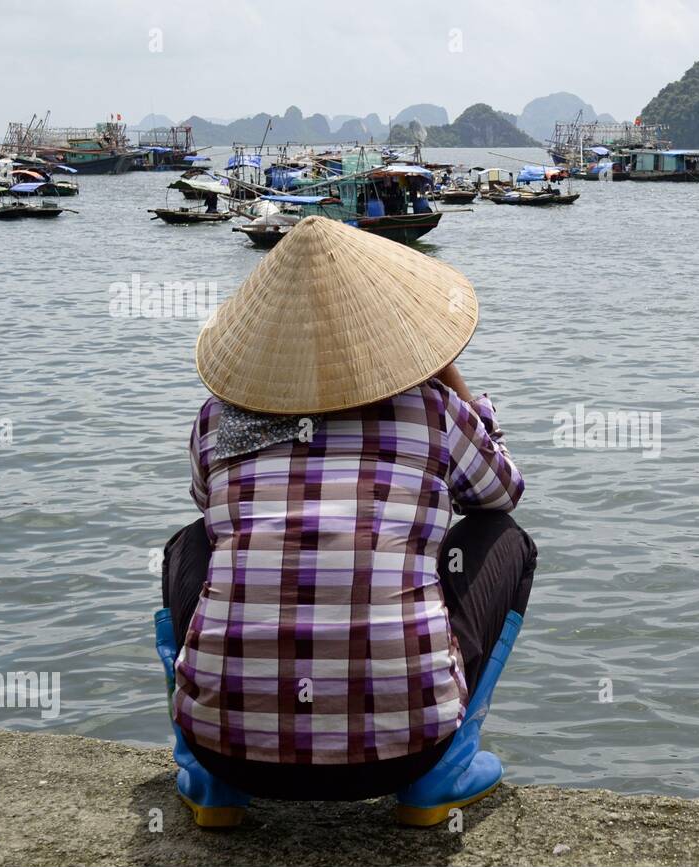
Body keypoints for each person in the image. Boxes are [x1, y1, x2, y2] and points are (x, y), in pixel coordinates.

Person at [154, 216, 536, 828]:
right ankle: (444, 775)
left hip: (227, 751)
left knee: (190, 542)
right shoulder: (432, 412)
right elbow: (502, 494)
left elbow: (208, 507)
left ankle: (208, 787)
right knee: (502, 538)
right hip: (407, 753)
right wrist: (452, 381)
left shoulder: (219, 420)